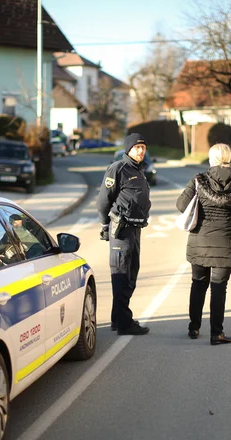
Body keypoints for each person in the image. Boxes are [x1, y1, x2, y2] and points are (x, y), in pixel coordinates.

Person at [176, 143, 231, 346]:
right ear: (229, 158)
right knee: (219, 289)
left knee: (198, 284)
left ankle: (194, 327)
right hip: (225, 244)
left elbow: (181, 205)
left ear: (211, 159)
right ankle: (216, 334)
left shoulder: (199, 181)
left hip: (199, 241)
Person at [96, 133, 152, 336]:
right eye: (137, 148)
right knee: (121, 276)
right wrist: (105, 225)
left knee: (131, 273)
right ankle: (124, 323)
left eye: (143, 148)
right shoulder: (118, 168)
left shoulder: (138, 169)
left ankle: (117, 318)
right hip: (121, 228)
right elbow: (103, 200)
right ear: (128, 149)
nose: (141, 151)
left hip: (135, 229)